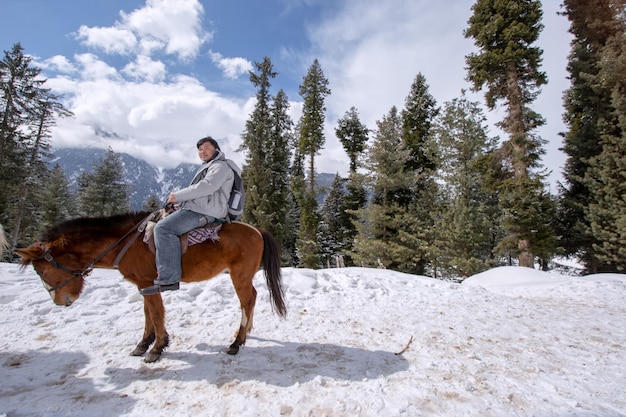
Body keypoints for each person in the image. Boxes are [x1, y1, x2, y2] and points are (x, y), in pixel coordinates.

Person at [140, 136, 235, 295]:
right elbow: (204, 193)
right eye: (199, 149)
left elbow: (207, 187)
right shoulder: (211, 166)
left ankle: (168, 278)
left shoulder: (220, 166)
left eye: (206, 148)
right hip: (201, 208)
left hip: (206, 212)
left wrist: (178, 196)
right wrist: (181, 204)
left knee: (163, 229)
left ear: (216, 150)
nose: (202, 151)